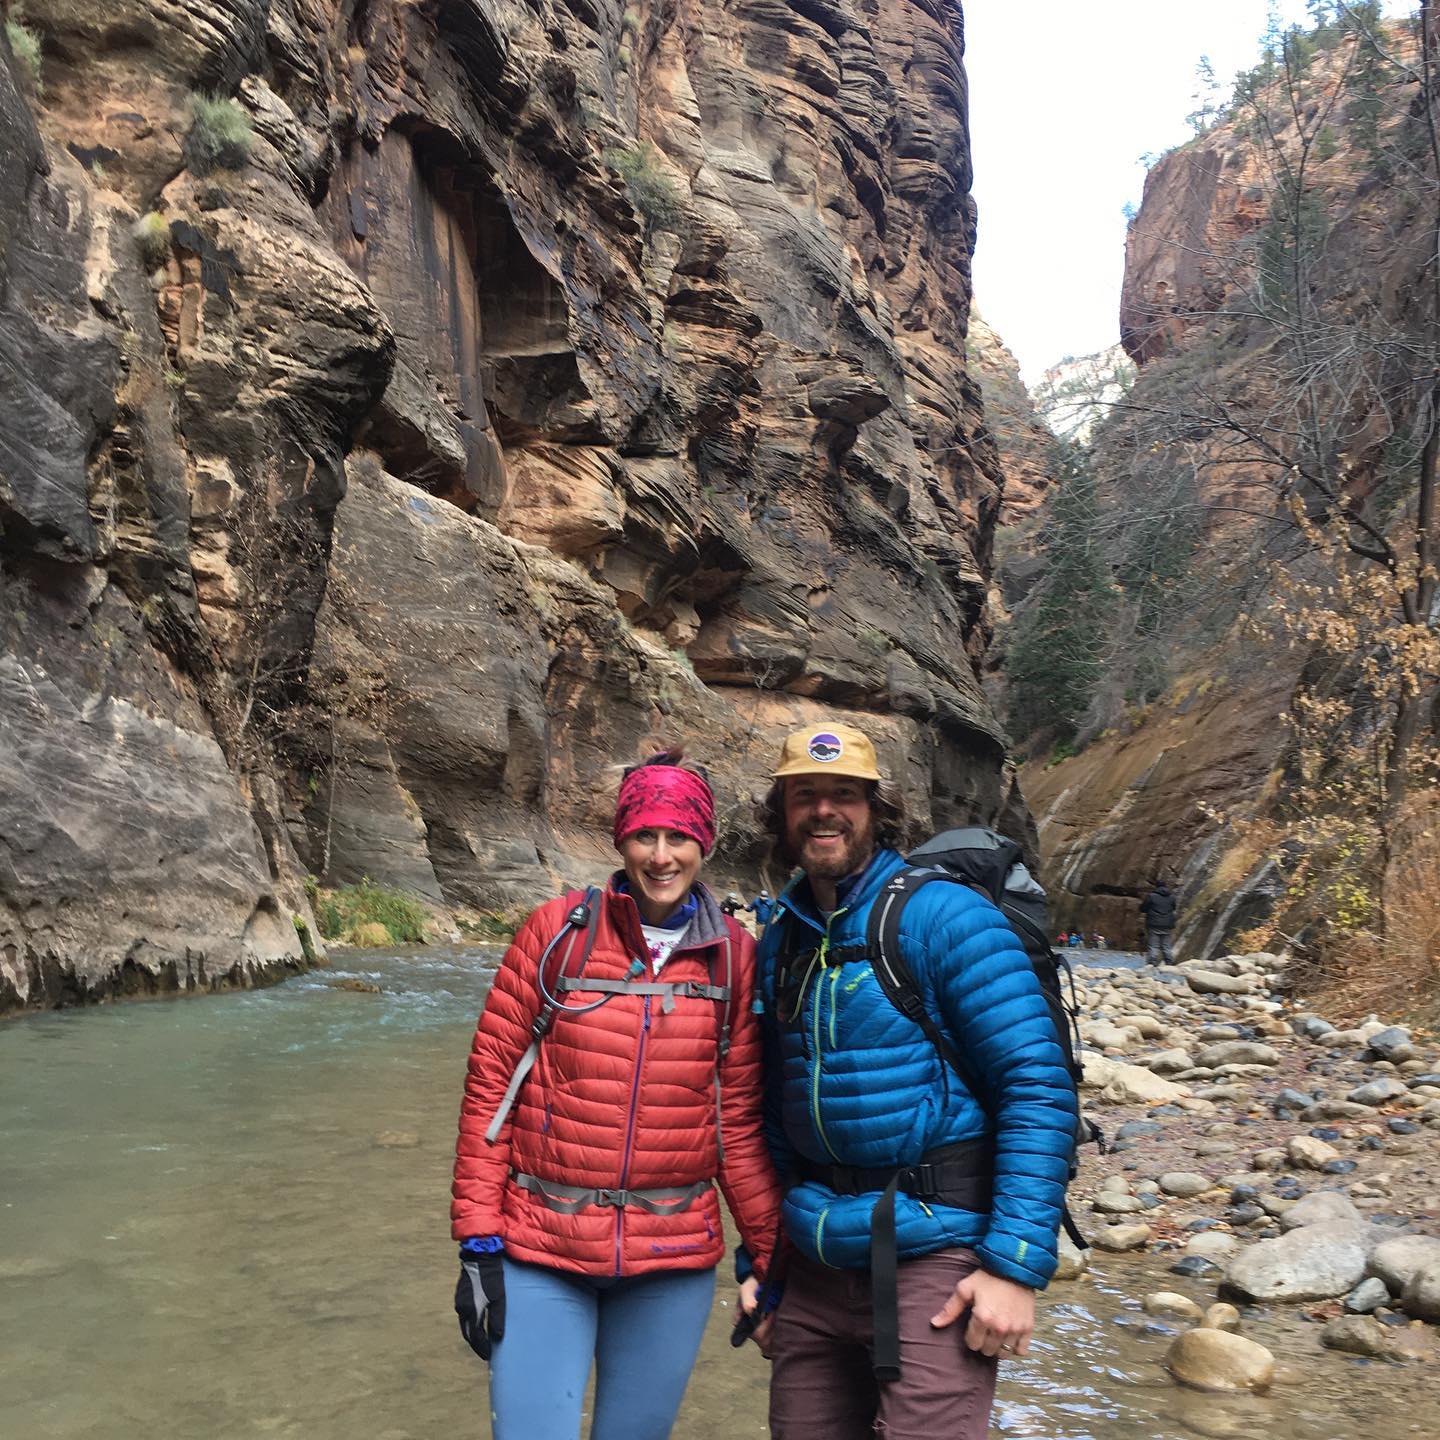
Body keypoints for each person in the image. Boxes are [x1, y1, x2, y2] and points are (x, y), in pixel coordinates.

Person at [751, 723, 1079, 1440]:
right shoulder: (781, 936)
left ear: (878, 809)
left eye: (845, 795)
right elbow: (769, 1115)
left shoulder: (945, 916)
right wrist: (763, 1267)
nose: (824, 811)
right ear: (781, 814)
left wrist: (1015, 1267)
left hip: (935, 1255)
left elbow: (1036, 1086)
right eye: (805, 795)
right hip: (811, 1261)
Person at [450, 749, 782, 1440]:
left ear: (704, 844)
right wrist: (478, 1240)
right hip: (544, 1247)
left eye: (679, 838)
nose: (661, 857)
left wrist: (772, 1259)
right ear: (621, 840)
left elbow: (739, 1126)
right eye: (644, 836)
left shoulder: (734, 959)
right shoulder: (556, 936)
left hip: (672, 1261)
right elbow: (491, 1091)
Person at [1140, 880, 1178, 966]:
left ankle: (1152, 963)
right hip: (1168, 924)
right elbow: (1173, 908)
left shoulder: (1151, 896)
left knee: (1153, 945)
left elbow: (1143, 908)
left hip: (1154, 924)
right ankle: (1169, 962)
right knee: (1166, 945)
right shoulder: (1172, 897)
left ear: (1156, 887)